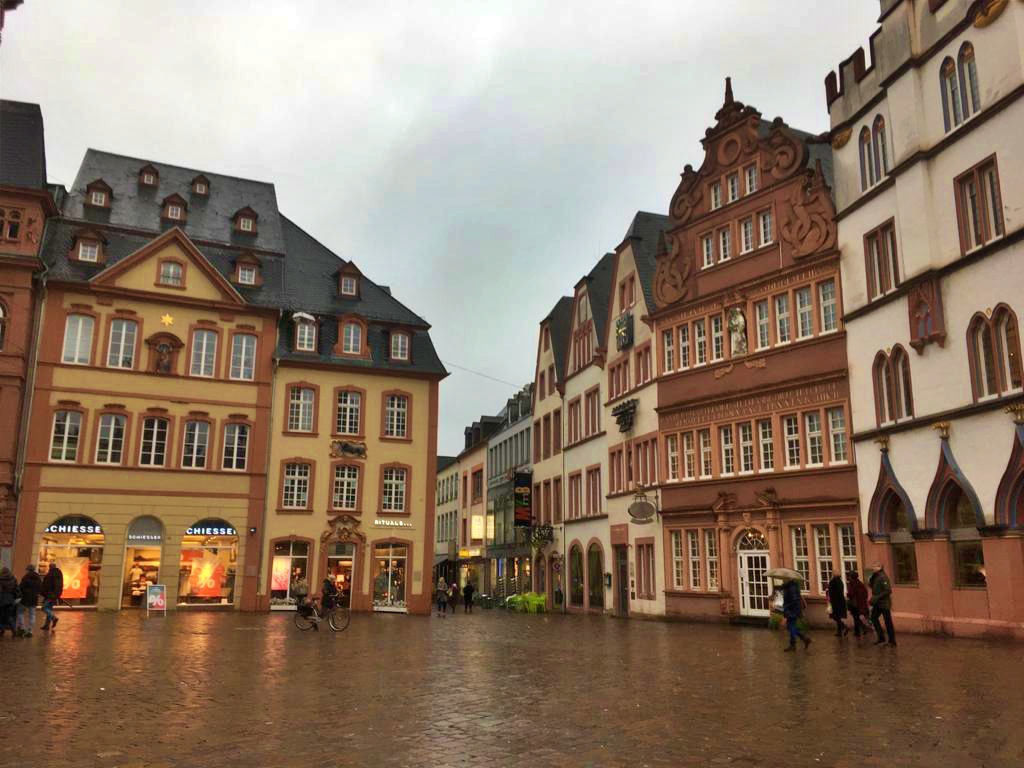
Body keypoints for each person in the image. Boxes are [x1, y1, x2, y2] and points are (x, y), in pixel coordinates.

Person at [868, 564, 896, 646]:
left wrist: (877, 597)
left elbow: (888, 590)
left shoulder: (883, 577)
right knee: (873, 618)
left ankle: (892, 641)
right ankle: (881, 638)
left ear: (879, 568)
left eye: (875, 566)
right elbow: (872, 586)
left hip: (884, 603)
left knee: (888, 621)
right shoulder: (876, 576)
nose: (873, 568)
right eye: (873, 566)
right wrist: (871, 579)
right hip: (878, 603)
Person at [782, 578, 811, 652]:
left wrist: (790, 611)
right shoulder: (789, 587)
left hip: (792, 610)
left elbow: (794, 601)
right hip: (791, 610)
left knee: (790, 627)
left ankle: (804, 639)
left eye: (784, 579)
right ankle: (794, 644)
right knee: (791, 626)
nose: (783, 579)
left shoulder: (792, 588)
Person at [17, 564, 43, 638]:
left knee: (20, 612)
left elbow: (21, 587)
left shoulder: (26, 577)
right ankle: (30, 631)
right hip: (34, 598)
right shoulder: (38, 578)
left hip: (25, 598)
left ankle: (22, 628)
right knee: (32, 615)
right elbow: (40, 588)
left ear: (28, 570)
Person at [846, 571, 870, 637]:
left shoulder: (852, 584)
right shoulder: (860, 583)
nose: (848, 577)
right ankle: (858, 631)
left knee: (855, 617)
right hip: (860, 603)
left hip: (855, 603)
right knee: (856, 617)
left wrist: (848, 595)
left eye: (849, 576)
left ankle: (860, 630)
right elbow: (865, 593)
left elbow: (851, 593)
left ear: (851, 577)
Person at [40, 561, 63, 631]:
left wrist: (43, 592)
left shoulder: (50, 575)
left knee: (44, 608)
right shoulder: (59, 574)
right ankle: (47, 625)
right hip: (55, 595)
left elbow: (46, 585)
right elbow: (59, 585)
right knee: (49, 609)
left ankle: (54, 618)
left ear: (50, 567)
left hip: (49, 595)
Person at [0, 567, 19, 637]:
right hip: (10, 600)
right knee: (8, 616)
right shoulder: (13, 579)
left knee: (1, 616)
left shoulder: (1, 579)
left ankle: (2, 630)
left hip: (1, 599)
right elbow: (16, 589)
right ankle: (14, 631)